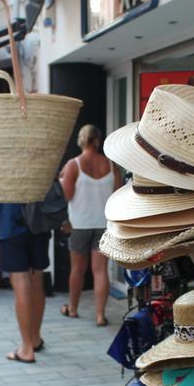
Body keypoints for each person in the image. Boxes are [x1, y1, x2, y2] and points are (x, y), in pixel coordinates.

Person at [59, 125, 119, 326]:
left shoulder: (73, 165)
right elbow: (118, 196)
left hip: (79, 224)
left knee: (77, 269)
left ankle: (73, 309)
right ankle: (100, 315)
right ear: (97, 141)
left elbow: (66, 196)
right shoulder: (111, 165)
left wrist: (62, 180)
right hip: (103, 224)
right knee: (100, 270)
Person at [0, 201, 48, 363]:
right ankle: (35, 338)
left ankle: (26, 348)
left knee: (20, 284)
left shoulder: (0, 173)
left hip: (10, 225)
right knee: (37, 282)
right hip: (39, 223)